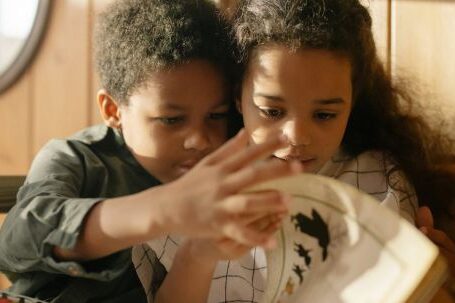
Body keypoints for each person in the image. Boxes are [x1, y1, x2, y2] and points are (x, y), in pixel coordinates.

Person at [134, 0, 455, 302]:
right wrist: (197, 255)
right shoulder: (193, 185)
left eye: (324, 115)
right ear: (236, 96)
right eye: (272, 112)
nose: (297, 137)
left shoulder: (379, 181)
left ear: (352, 100)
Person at [0, 0, 304, 302]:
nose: (199, 140)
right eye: (171, 120)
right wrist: (163, 208)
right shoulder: (76, 158)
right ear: (113, 110)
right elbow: (17, 240)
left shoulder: (224, 174)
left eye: (217, 115)